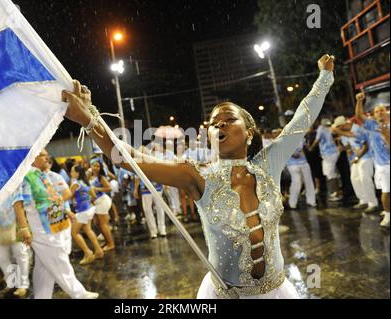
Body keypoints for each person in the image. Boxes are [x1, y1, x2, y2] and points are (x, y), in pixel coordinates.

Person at [63, 54, 335, 298]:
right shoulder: (198, 176)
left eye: (228, 119)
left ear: (249, 132)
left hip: (277, 292)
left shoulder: (268, 165)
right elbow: (129, 158)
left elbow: (303, 117)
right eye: (214, 123)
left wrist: (325, 76)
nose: (219, 125)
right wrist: (89, 118)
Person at [20, 149, 98, 299]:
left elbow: (55, 198)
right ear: (33, 157)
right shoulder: (26, 175)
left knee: (43, 268)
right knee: (59, 259)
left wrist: (64, 211)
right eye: (42, 154)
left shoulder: (42, 175)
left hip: (52, 225)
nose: (47, 157)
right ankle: (79, 294)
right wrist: (24, 227)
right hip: (42, 228)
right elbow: (19, 202)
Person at [355, 93, 390, 228]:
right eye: (376, 111)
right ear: (374, 115)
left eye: (381, 110)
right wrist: (359, 101)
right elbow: (359, 116)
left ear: (386, 111)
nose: (379, 112)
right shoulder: (372, 125)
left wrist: (386, 136)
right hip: (383, 166)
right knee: (386, 191)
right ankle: (387, 215)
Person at [332, 115, 378, 213]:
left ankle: (373, 203)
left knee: (365, 179)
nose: (337, 129)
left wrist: (357, 157)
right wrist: (344, 149)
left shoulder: (358, 129)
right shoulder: (344, 134)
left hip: (366, 157)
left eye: (338, 127)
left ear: (343, 125)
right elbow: (349, 146)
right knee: (354, 179)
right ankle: (363, 200)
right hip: (355, 159)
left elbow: (366, 146)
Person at [66, 164, 104, 265]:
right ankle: (99, 250)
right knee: (88, 230)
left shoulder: (75, 184)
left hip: (82, 211)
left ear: (77, 173)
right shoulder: (85, 182)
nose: (71, 173)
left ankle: (88, 253)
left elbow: (67, 195)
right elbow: (94, 195)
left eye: (72, 171)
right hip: (89, 209)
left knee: (73, 233)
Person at [134, 146, 167, 239]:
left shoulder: (154, 160)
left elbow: (161, 173)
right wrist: (135, 189)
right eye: (141, 152)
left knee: (160, 208)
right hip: (145, 190)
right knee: (147, 210)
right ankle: (153, 231)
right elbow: (136, 177)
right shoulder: (138, 163)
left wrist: (165, 184)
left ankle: (162, 228)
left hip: (157, 188)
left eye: (144, 152)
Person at [309, 118, 342, 201]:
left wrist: (311, 147)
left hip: (329, 154)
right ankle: (336, 192)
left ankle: (336, 193)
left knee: (330, 173)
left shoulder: (321, 128)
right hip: (333, 152)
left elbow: (317, 140)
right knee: (332, 173)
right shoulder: (330, 128)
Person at [89, 158, 115, 251]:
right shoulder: (90, 176)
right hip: (96, 202)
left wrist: (97, 189)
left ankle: (111, 243)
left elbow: (109, 188)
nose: (96, 168)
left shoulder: (101, 177)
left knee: (103, 224)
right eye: (94, 165)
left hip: (102, 201)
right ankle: (107, 241)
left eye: (98, 166)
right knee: (98, 224)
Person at [286, 140, 317, 209]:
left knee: (309, 182)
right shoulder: (285, 139)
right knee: (296, 183)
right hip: (292, 164)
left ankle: (311, 201)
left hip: (304, 162)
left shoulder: (301, 138)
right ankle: (292, 203)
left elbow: (305, 149)